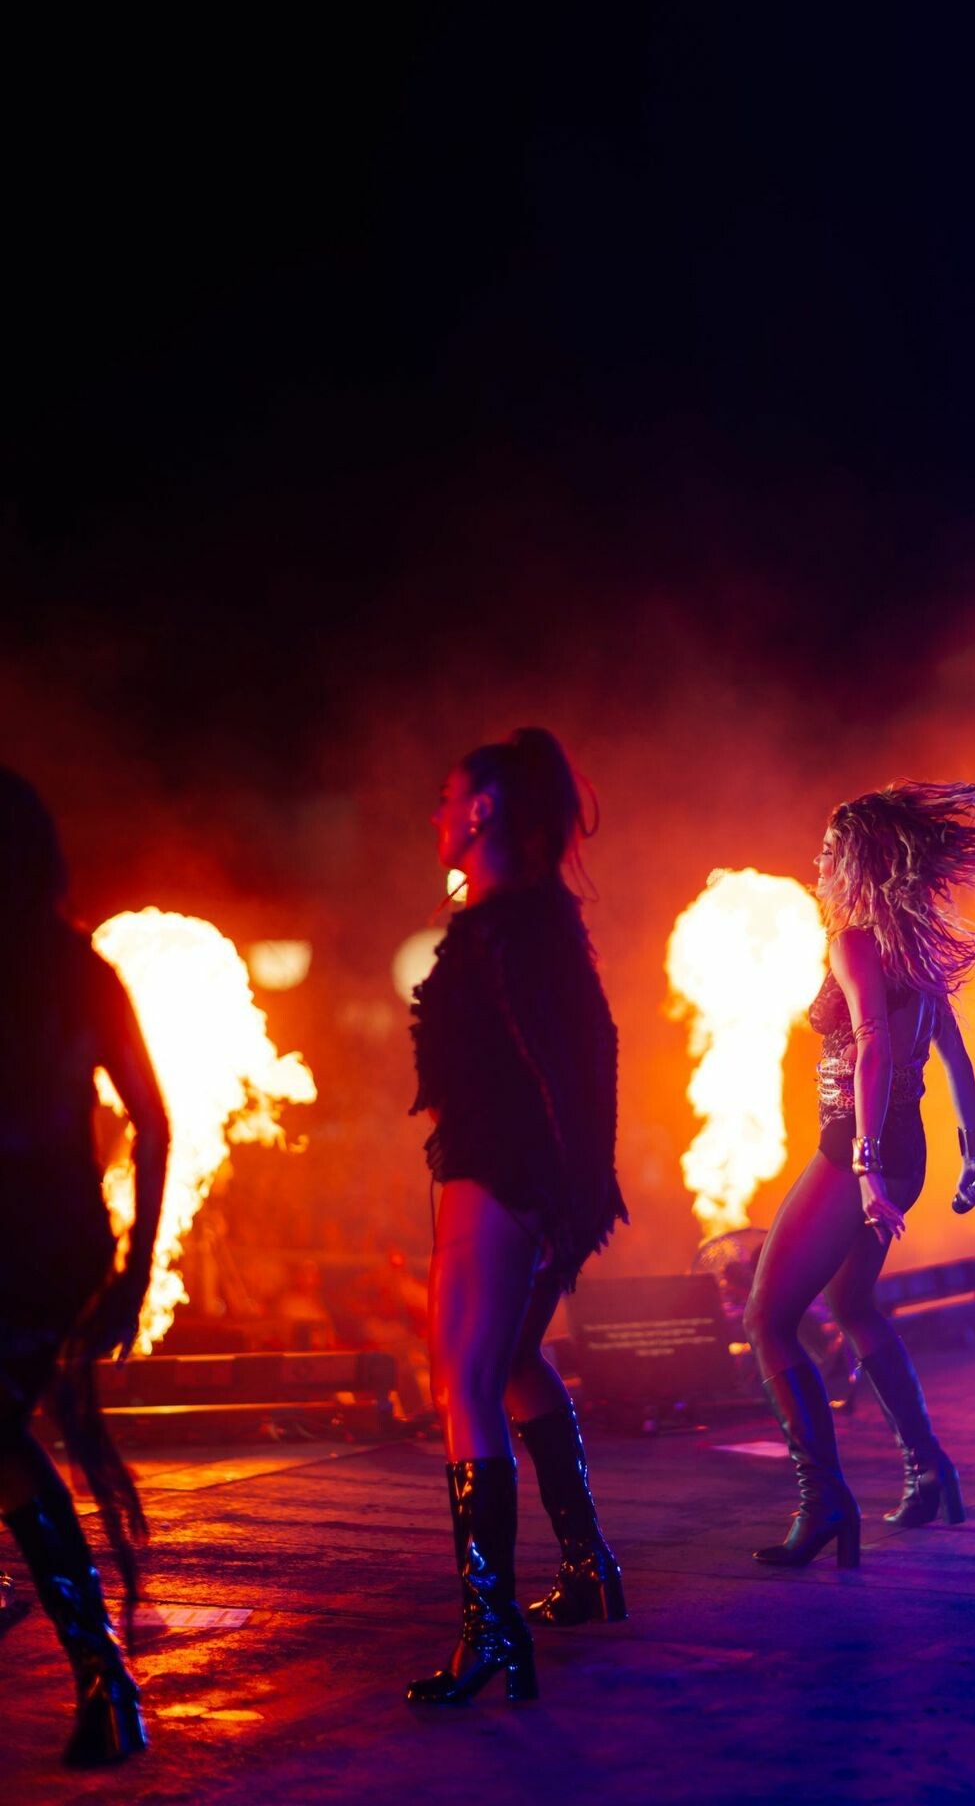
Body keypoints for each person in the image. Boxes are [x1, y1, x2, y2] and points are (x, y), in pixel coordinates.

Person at [406, 728, 627, 1706]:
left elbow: (584, 1054)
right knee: (511, 1364)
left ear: (482, 809)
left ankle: (490, 1630)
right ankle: (586, 1570)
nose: (436, 813)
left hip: (501, 1175)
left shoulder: (509, 928)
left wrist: (566, 1192)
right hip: (518, 1177)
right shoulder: (525, 921)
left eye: (447, 796)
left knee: (463, 1381)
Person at [744, 781, 975, 1567]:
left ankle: (823, 1500)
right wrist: (970, 1154)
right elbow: (954, 1058)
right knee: (851, 1301)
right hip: (909, 1149)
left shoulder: (856, 940)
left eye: (830, 850)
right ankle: (928, 1469)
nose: (818, 861)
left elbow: (871, 1043)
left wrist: (862, 1170)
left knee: (765, 1317)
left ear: (857, 862)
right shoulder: (914, 950)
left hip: (856, 1149)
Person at [0, 769, 169, 1766]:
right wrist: (131, 1269)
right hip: (55, 1244)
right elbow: (151, 1121)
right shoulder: (80, 970)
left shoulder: (74, 972)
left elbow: (151, 1118)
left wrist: (137, 1273)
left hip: (37, 1248)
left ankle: (105, 1671)